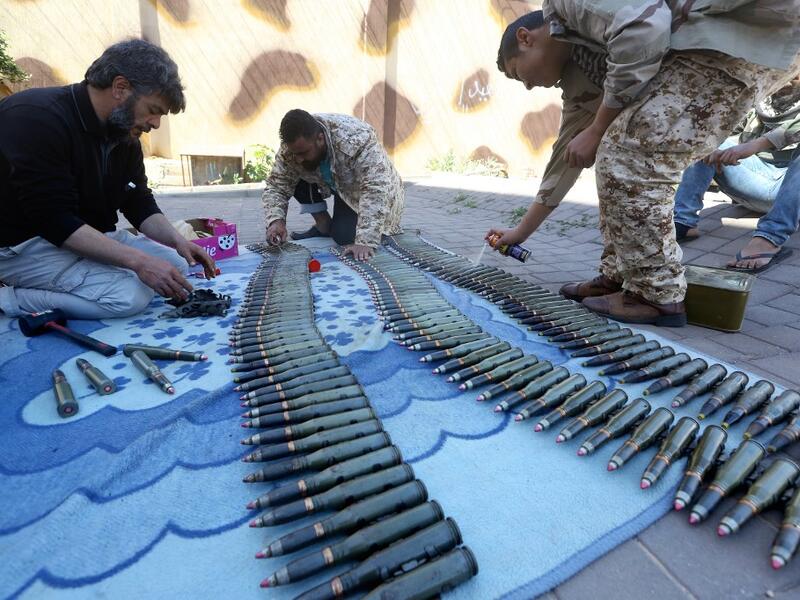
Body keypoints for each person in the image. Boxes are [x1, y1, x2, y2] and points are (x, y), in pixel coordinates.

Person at [485, 3, 800, 326]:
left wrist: (596, 129)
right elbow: (566, 158)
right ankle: (620, 276)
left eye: (516, 72)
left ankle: (655, 294)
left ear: (525, 39)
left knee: (629, 156)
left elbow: (644, 27)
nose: (526, 86)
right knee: (615, 154)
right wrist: (521, 231)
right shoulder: (579, 70)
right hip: (722, 39)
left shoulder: (565, 6)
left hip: (736, 31)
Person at [0, 39, 215, 320]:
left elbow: (138, 202)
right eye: (153, 109)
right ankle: (9, 298)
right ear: (120, 88)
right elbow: (54, 220)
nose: (156, 124)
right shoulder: (35, 117)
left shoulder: (123, 135)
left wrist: (178, 241)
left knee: (174, 267)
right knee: (129, 296)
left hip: (82, 236)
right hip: (23, 246)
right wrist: (138, 262)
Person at [673, 80, 800, 273]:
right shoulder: (764, 92)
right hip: (761, 180)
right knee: (707, 140)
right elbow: (734, 132)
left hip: (793, 188)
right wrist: (716, 148)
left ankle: (769, 238)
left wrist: (754, 146)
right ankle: (682, 220)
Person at [262, 109, 404, 261]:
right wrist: (276, 221)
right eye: (295, 153)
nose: (298, 159)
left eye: (303, 153)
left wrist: (365, 241)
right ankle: (323, 225)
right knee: (292, 172)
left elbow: (376, 188)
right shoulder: (293, 150)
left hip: (370, 191)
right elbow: (276, 185)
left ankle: (357, 226)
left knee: (344, 235)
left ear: (320, 139)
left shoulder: (356, 139)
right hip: (337, 184)